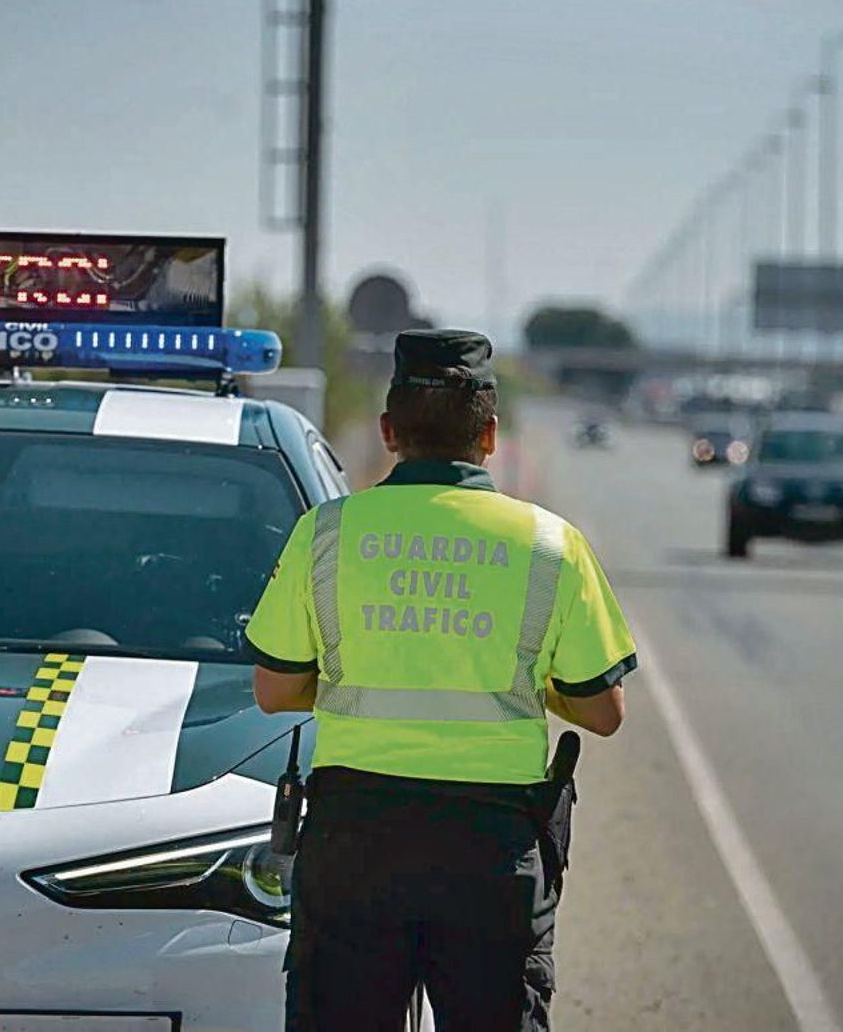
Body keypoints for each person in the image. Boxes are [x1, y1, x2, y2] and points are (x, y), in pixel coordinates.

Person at [244, 329, 635, 1032]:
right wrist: (528, 681)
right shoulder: (551, 544)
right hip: (492, 850)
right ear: (489, 436)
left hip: (354, 841)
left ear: (388, 431)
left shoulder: (326, 532)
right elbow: (603, 711)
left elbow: (273, 691)